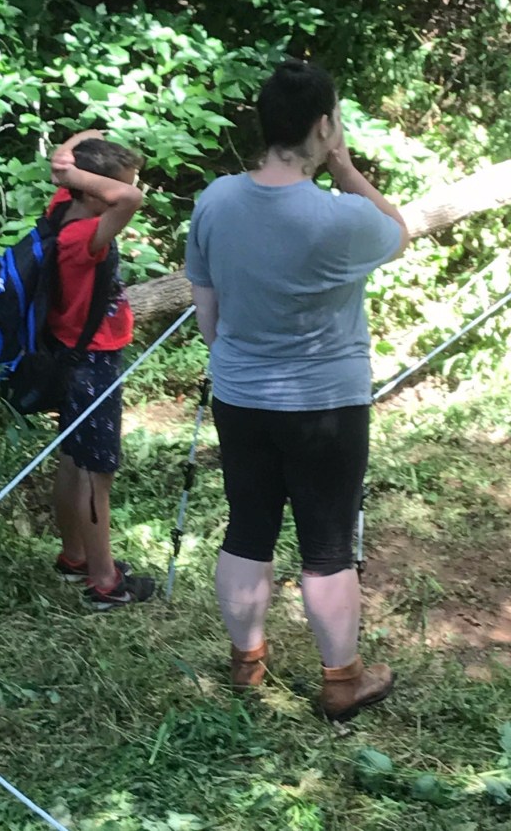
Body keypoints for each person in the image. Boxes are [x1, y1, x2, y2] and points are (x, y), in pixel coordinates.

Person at [185, 59, 410, 720]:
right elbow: (397, 233)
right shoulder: (340, 220)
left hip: (241, 397)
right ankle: (342, 681)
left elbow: (208, 320)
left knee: (247, 527)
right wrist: (344, 169)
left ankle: (246, 666)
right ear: (323, 125)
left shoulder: (216, 201)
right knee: (327, 542)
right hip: (328, 406)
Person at [46, 131, 155, 609]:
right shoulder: (80, 237)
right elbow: (128, 199)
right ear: (93, 191)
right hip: (92, 362)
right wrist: (77, 172)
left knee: (74, 458)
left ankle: (75, 556)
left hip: (74, 357)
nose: (131, 192)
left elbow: (83, 144)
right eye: (116, 187)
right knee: (96, 472)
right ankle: (104, 582)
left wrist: (70, 163)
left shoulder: (62, 207)